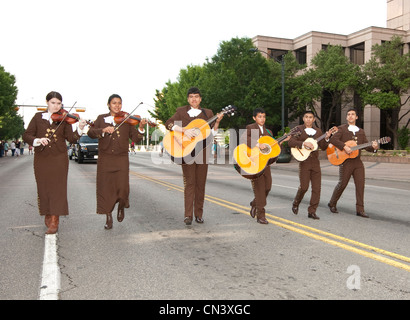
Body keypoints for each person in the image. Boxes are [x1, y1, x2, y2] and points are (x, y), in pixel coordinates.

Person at [22, 91, 86, 234]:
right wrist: (37, 140)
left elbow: (72, 138)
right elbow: (26, 135)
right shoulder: (38, 117)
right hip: (42, 159)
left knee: (58, 189)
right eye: (53, 103)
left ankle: (55, 220)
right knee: (43, 188)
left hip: (59, 159)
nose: (56, 106)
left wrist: (80, 128)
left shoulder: (65, 119)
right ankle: (47, 213)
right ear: (47, 103)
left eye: (59, 103)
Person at [164, 87, 223, 225]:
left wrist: (218, 121)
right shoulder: (181, 111)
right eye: (191, 97)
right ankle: (188, 215)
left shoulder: (208, 113)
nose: (194, 99)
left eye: (196, 96)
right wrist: (184, 130)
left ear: (200, 99)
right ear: (188, 99)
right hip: (186, 152)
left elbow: (212, 134)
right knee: (189, 183)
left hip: (203, 152)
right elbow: (169, 124)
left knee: (200, 184)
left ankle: (199, 214)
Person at [87, 94, 147, 230]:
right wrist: (102, 130)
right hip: (105, 159)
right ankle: (108, 216)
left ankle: (121, 206)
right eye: (114, 103)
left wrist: (141, 128)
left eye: (119, 103)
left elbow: (136, 139)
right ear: (108, 104)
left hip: (121, 158)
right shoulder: (101, 118)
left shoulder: (127, 119)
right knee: (106, 189)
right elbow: (91, 132)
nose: (117, 105)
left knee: (123, 188)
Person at [328, 108, 379, 218]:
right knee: (342, 184)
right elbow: (333, 140)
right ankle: (332, 203)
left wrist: (374, 148)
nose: (350, 116)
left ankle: (360, 210)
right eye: (348, 114)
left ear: (356, 117)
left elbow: (366, 146)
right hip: (346, 161)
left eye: (353, 114)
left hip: (357, 162)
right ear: (346, 117)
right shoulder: (341, 129)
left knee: (360, 186)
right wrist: (344, 146)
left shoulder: (361, 131)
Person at [246, 108, 287, 224]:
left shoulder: (268, 132)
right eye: (259, 116)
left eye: (264, 117)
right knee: (259, 189)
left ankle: (255, 203)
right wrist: (258, 144)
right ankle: (261, 215)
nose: (262, 119)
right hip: (254, 163)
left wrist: (281, 142)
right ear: (254, 118)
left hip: (266, 164)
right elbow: (245, 139)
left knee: (268, 187)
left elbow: (272, 148)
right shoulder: (251, 128)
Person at [288, 111, 332, 220]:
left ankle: (312, 211)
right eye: (306, 117)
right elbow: (291, 142)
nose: (308, 119)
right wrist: (303, 143)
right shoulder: (298, 129)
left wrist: (326, 138)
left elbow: (323, 147)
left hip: (315, 162)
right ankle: (296, 202)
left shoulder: (318, 131)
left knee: (317, 189)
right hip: (304, 162)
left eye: (310, 117)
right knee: (304, 187)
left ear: (314, 120)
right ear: (303, 118)